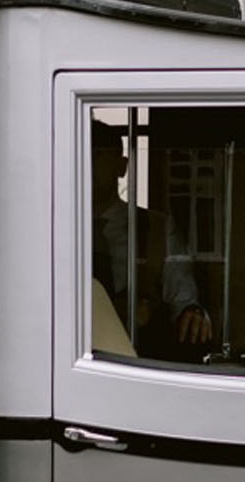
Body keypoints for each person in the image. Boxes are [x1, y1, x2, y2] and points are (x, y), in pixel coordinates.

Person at [90, 123, 212, 356]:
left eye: (98, 154)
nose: (88, 163)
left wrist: (193, 313)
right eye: (82, 153)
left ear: (122, 166)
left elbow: (183, 298)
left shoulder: (158, 228)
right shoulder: (53, 228)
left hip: (139, 358)